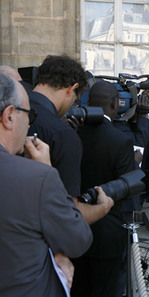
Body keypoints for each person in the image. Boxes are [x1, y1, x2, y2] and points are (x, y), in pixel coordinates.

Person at [0, 71, 103, 296]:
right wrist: (46, 171)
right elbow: (77, 240)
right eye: (29, 114)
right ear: (9, 116)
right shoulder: (38, 177)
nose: (29, 124)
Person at [27, 55, 113, 224]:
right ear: (71, 88)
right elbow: (68, 215)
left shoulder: (11, 112)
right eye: (76, 98)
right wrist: (103, 207)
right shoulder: (62, 135)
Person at [72, 81, 136, 297]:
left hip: (73, 228)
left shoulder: (70, 135)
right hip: (108, 233)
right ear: (115, 104)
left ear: (88, 103)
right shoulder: (121, 140)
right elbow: (127, 188)